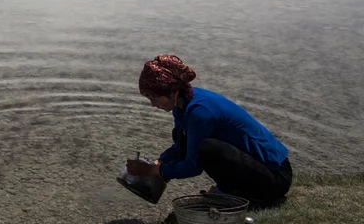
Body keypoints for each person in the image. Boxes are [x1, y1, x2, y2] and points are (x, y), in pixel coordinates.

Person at [125, 54, 293, 206]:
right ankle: (233, 190)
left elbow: (193, 166)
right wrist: (159, 162)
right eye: (149, 98)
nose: (153, 105)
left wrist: (154, 171)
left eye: (154, 98)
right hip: (257, 169)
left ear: (173, 92)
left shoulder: (200, 112)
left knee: (209, 148)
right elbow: (182, 146)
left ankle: (244, 196)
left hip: (276, 177)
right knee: (179, 135)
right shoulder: (182, 105)